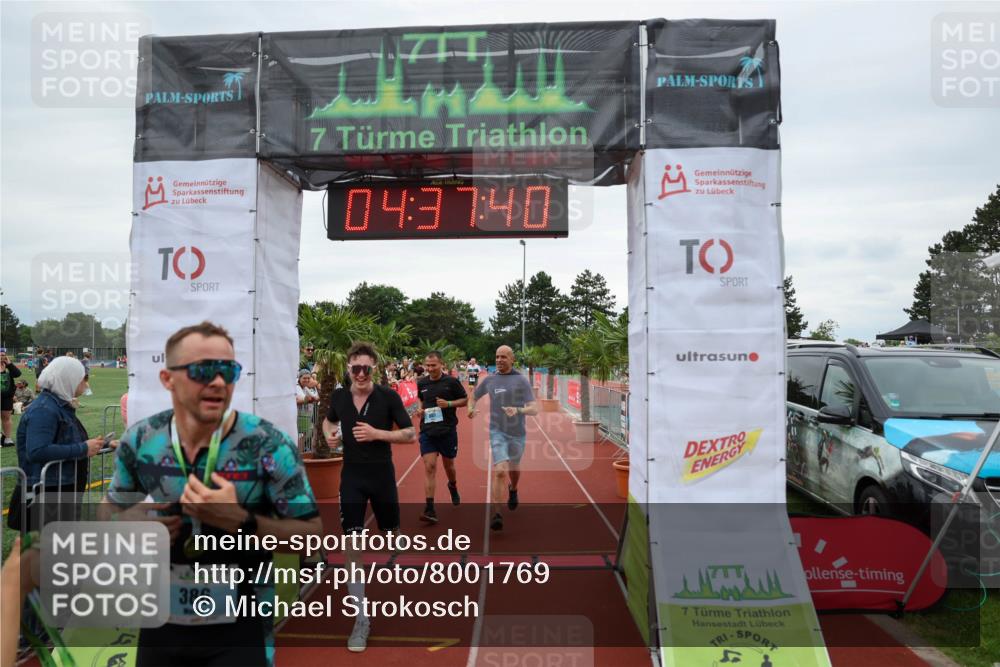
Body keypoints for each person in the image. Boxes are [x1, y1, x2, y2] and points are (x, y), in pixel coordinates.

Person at [101, 321, 323, 667]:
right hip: (160, 623)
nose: (218, 381)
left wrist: (242, 522)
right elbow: (109, 512)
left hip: (240, 626)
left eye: (228, 370)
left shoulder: (268, 443)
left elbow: (310, 539)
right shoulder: (141, 440)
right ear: (167, 379)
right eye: (204, 370)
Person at [322, 342, 414, 652]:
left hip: (382, 476)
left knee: (391, 534)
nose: (360, 374)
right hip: (351, 478)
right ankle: (361, 620)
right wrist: (328, 433)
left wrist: (378, 434)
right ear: (348, 369)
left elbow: (409, 433)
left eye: (366, 368)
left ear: (374, 369)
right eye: (355, 368)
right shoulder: (338, 397)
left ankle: (396, 536)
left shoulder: (387, 397)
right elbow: (328, 420)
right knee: (352, 546)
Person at [12, 357, 104, 529]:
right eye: (83, 378)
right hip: (46, 491)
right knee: (40, 552)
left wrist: (102, 445)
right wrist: (83, 448)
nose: (86, 384)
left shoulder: (59, 406)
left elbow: (68, 441)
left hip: (59, 487)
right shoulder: (44, 409)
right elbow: (37, 451)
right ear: (68, 379)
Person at [467, 345, 537, 531]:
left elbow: (534, 408)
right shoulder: (490, 380)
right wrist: (471, 408)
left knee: (514, 468)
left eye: (503, 357)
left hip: (517, 433)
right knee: (499, 470)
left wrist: (519, 410)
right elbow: (473, 396)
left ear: (512, 359)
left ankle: (513, 489)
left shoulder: (521, 381)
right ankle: (497, 513)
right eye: (497, 356)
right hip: (497, 431)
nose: (499, 360)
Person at [414, 351, 467, 524]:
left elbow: (465, 400)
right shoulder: (422, 383)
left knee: (449, 466)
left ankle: (452, 485)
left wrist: (449, 404)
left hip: (447, 430)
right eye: (427, 365)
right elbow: (421, 400)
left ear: (441, 364)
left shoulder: (451, 382)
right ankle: (430, 508)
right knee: (429, 467)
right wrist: (420, 409)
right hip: (428, 431)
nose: (430, 369)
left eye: (433, 365)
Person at [0, 352, 22, 446]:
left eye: (3, 354)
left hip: (7, 397)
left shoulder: (9, 367)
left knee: (6, 417)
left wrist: (9, 364)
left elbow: (17, 374)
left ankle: (7, 439)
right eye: (0, 355)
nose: (2, 356)